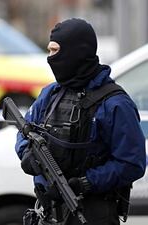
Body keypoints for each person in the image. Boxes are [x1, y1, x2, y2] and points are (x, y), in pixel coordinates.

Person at [15, 18, 146, 225]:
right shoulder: (51, 94)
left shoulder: (115, 104)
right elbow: (24, 132)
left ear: (75, 52)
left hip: (92, 213)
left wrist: (85, 183)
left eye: (55, 51)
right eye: (49, 51)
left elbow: (132, 163)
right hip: (49, 211)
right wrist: (29, 156)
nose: (50, 58)